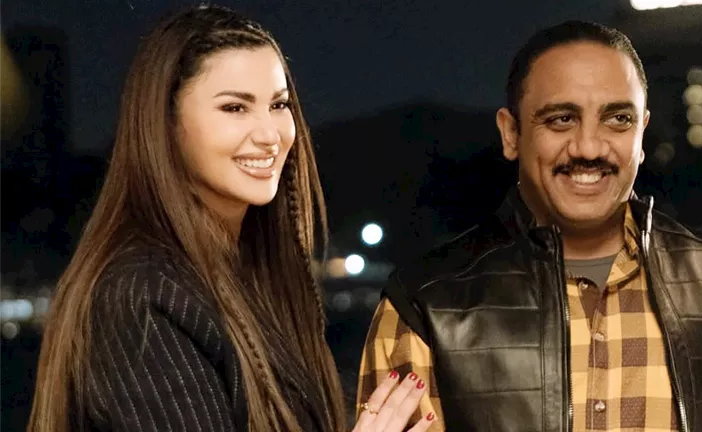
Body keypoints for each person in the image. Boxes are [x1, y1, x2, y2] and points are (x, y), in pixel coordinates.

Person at [27, 5, 436, 432]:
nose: (269, 134)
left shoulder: (247, 273)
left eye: (279, 104)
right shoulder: (143, 294)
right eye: (235, 108)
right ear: (166, 124)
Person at [357, 20, 702, 432]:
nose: (588, 147)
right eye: (561, 119)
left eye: (618, 118)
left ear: (642, 134)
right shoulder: (425, 305)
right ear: (511, 133)